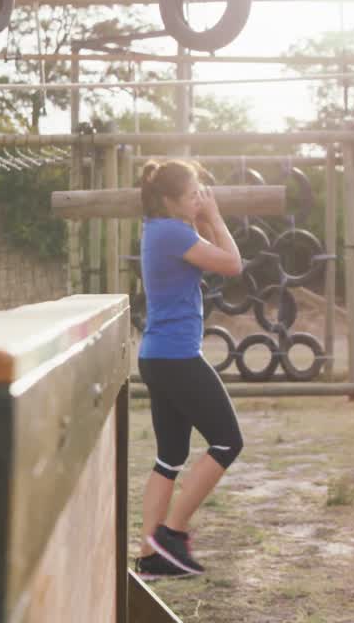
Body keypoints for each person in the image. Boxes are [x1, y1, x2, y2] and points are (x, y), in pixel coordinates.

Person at [133, 160, 245, 580]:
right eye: (193, 194)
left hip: (158, 356)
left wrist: (203, 218)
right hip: (177, 358)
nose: (200, 198)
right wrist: (214, 215)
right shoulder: (174, 232)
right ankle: (172, 534)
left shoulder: (158, 228)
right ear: (169, 200)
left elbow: (213, 255)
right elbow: (232, 264)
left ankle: (150, 556)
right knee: (227, 441)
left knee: (170, 457)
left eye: (201, 192)